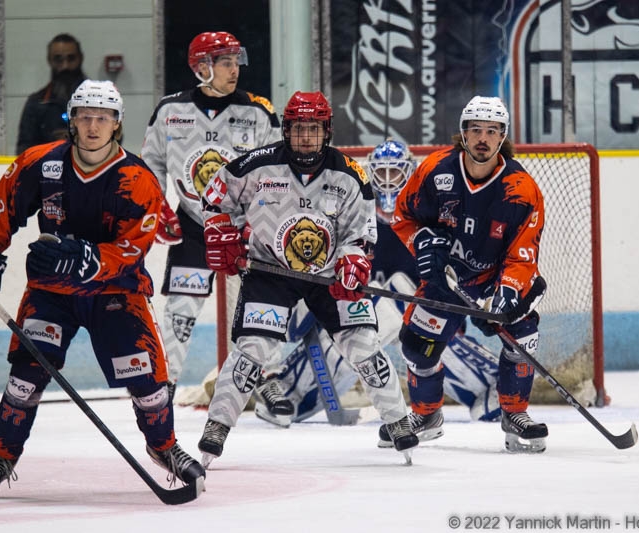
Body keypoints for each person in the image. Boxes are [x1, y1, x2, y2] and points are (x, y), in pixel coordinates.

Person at [0, 80, 205, 499]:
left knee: (147, 382)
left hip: (115, 293)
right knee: (26, 377)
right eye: (85, 116)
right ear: (71, 121)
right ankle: (3, 456)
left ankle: (164, 446)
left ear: (116, 125)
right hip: (51, 293)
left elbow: (134, 247)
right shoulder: (41, 163)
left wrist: (88, 260)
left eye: (103, 118)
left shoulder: (137, 179)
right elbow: (4, 207)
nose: (93, 125)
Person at [196, 91, 418, 466]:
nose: (306, 138)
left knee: (364, 346)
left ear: (326, 130)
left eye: (313, 129)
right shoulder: (257, 165)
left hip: (328, 275)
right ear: (286, 129)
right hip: (271, 273)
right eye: (299, 129)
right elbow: (215, 197)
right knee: (252, 352)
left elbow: (359, 233)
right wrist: (222, 229)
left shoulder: (349, 174)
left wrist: (352, 263)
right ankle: (217, 425)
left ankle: (398, 421)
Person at [253, 139, 505, 432]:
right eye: (381, 174)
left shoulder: (432, 221)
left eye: (394, 174)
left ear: (409, 175)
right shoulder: (353, 220)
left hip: (423, 323)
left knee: (407, 300)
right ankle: (292, 391)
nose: (386, 182)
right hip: (361, 321)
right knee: (362, 314)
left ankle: (491, 387)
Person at [387, 96, 549, 454]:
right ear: (462, 133)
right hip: (446, 279)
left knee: (523, 338)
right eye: (475, 129)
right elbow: (403, 217)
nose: (482, 138)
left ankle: (514, 414)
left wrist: (507, 291)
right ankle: (426, 415)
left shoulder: (521, 190)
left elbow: (523, 252)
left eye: (492, 131)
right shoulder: (435, 171)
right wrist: (421, 242)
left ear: (502, 136)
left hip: (494, 279)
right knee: (417, 347)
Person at [141, 31, 281, 399]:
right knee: (180, 311)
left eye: (237, 61)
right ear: (202, 66)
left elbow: (276, 173)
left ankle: (266, 379)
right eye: (226, 62)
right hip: (192, 226)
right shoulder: (171, 111)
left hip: (243, 229)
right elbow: (151, 163)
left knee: (255, 305)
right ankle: (164, 383)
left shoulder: (258, 111)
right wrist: (157, 205)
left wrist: (261, 220)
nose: (235, 69)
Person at [16, 33, 87, 154]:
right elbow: (23, 151)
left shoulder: (101, 100)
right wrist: (52, 145)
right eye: (58, 59)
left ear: (80, 58)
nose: (65, 66)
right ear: (49, 60)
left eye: (71, 58)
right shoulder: (37, 103)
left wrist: (81, 140)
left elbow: (115, 140)